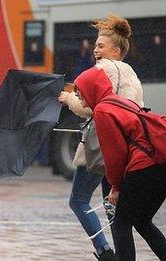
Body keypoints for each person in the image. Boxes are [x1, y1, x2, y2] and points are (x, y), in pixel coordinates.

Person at [58, 14, 138, 260]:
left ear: (116, 50)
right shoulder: (131, 73)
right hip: (124, 146)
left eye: (101, 46)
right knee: (112, 206)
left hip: (100, 145)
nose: (95, 50)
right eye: (95, 46)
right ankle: (124, 256)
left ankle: (104, 252)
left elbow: (93, 107)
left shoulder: (103, 69)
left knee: (78, 200)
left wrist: (69, 99)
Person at [74, 65, 166, 261]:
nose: (80, 98)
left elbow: (116, 155)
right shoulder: (121, 102)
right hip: (160, 163)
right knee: (141, 220)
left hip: (143, 168)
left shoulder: (102, 111)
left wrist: (115, 186)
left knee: (120, 223)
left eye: (80, 92)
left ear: (91, 88)